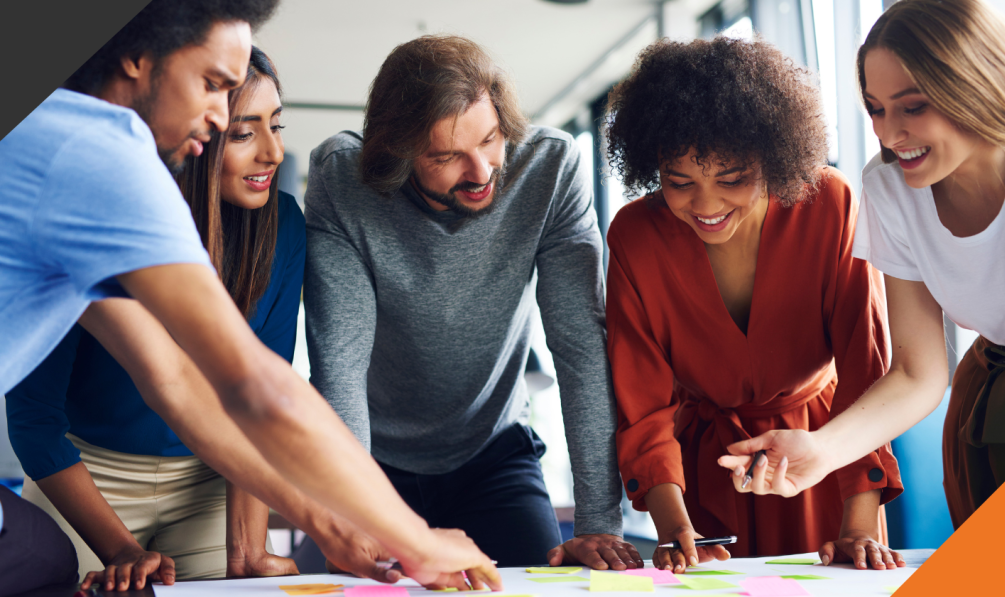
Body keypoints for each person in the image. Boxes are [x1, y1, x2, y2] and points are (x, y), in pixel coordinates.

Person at [0, 0, 500, 590]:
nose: (216, 115)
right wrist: (415, 538)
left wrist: (337, 529)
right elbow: (254, 386)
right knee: (46, 563)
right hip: (90, 468)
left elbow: (176, 383)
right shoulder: (99, 156)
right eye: (212, 85)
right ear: (135, 59)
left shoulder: (52, 132)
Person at [304, 34, 638, 569]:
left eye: (490, 139)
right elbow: (338, 362)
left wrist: (600, 522)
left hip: (494, 455)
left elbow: (580, 350)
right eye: (446, 156)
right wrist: (356, 513)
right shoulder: (343, 180)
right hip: (373, 463)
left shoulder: (549, 170)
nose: (482, 171)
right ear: (399, 153)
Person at [717, 0, 1005, 531]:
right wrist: (820, 450)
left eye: (912, 106)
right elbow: (916, 371)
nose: (888, 134)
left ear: (977, 85)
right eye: (876, 109)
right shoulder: (891, 188)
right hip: (994, 415)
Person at [603, 37, 904, 570]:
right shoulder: (635, 236)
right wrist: (676, 530)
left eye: (732, 178)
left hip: (823, 457)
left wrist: (857, 526)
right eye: (680, 182)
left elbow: (867, 372)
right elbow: (643, 405)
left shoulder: (829, 205)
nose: (707, 204)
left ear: (772, 154)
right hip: (699, 476)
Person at [7, 46, 302, 589]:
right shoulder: (92, 217)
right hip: (89, 476)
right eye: (243, 133)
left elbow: (260, 399)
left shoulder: (283, 228)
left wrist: (249, 550)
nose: (274, 152)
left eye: (277, 126)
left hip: (209, 479)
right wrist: (120, 549)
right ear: (193, 134)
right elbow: (35, 421)